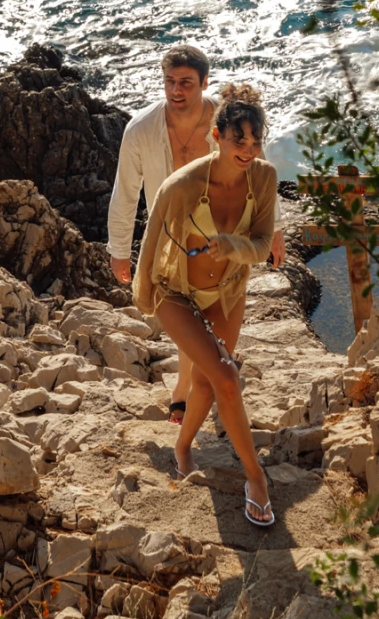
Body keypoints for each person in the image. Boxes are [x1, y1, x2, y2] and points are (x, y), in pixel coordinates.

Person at [107, 46, 284, 421]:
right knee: (187, 306)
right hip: (175, 237)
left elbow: (259, 167)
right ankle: (200, 377)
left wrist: (276, 229)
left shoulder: (228, 120)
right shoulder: (141, 130)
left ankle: (189, 386)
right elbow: (125, 192)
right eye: (169, 81)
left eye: (186, 82)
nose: (176, 90)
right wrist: (119, 249)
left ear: (204, 83)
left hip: (226, 228)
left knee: (212, 306)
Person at [132, 82, 278, 528]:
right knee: (228, 377)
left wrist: (231, 245)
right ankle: (257, 479)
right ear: (217, 136)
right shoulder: (183, 185)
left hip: (228, 291)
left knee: (208, 382)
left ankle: (182, 448)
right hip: (177, 294)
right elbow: (151, 237)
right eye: (239, 140)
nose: (248, 151)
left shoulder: (265, 178)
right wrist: (144, 296)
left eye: (255, 142)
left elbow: (262, 245)